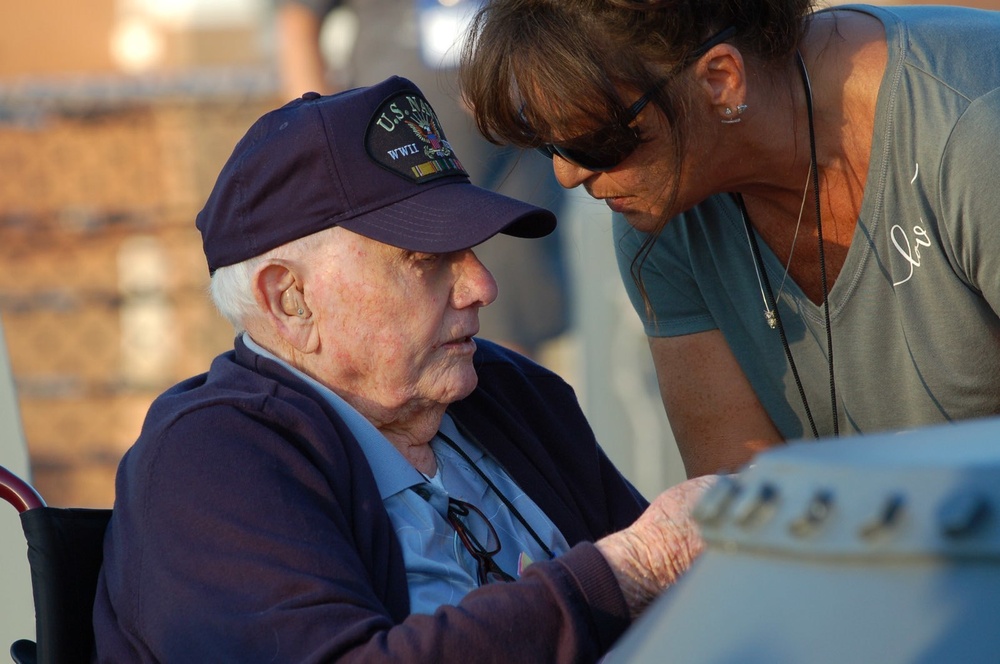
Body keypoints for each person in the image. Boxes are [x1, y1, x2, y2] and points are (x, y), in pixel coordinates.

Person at [91, 76, 713, 662]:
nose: (482, 285)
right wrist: (625, 573)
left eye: (472, 251)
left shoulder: (509, 394)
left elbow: (687, 605)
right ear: (291, 301)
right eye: (427, 259)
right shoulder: (210, 461)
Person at [458, 0, 1000, 478]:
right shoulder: (662, 211)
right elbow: (746, 511)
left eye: (596, 142)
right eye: (548, 145)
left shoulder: (973, 133)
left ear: (720, 79)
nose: (568, 176)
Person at [273, 0, 571, 359]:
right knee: (403, 319)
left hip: (511, 160)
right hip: (394, 172)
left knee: (502, 327)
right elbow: (299, 18)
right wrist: (319, 136)